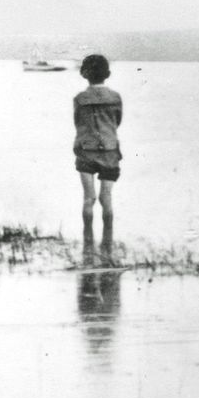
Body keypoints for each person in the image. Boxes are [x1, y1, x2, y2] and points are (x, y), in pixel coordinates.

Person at [73, 54, 123, 263]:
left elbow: (78, 123)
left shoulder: (80, 99)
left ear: (84, 74)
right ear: (108, 74)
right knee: (106, 199)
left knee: (88, 199)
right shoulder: (115, 97)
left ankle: (87, 247)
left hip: (86, 149)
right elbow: (117, 121)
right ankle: (107, 248)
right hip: (110, 150)